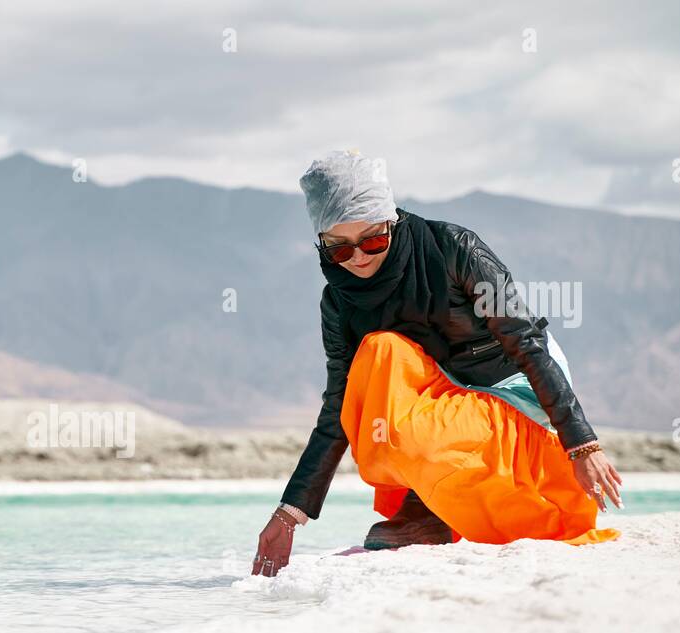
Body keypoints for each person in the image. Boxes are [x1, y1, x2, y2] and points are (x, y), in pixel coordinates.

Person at [253, 150, 621, 577]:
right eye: (339, 249)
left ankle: (435, 507)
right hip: (450, 410)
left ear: (391, 222)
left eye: (372, 240)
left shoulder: (453, 249)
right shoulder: (339, 302)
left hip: (515, 403)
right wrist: (289, 513)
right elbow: (341, 406)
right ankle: (427, 506)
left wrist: (582, 445)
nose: (358, 258)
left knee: (393, 377)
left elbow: (526, 342)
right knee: (378, 356)